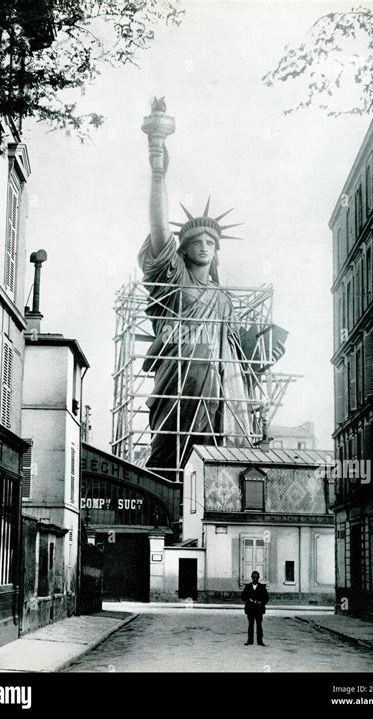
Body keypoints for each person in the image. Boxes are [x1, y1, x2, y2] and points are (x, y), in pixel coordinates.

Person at [138, 102, 256, 479]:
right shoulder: (175, 278)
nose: (204, 245)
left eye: (211, 241)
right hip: (177, 377)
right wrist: (158, 167)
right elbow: (158, 229)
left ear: (217, 250)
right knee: (166, 457)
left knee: (205, 465)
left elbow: (235, 354)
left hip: (213, 388)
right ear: (183, 248)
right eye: (196, 240)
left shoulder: (222, 298)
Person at [241, 570, 269, 646]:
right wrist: (248, 599)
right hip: (250, 609)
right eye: (254, 577)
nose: (255, 579)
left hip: (259, 609)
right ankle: (250, 641)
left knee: (259, 625)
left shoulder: (262, 587)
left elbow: (266, 598)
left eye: (256, 577)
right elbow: (243, 596)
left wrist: (261, 602)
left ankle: (260, 641)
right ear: (251, 578)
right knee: (251, 624)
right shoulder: (248, 587)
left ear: (259, 578)